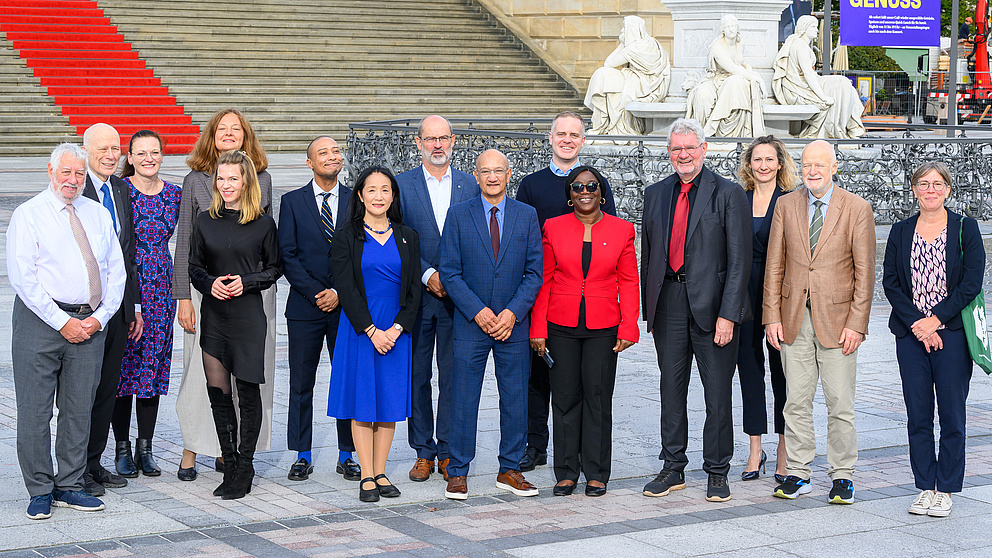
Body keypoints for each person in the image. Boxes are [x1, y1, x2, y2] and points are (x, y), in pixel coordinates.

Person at [8, 143, 125, 520]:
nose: (72, 180)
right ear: (50, 171)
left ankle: (70, 484)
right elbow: (23, 277)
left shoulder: (97, 213)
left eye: (79, 173)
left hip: (90, 323)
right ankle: (40, 488)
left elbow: (115, 271)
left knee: (78, 410)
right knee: (35, 412)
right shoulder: (30, 215)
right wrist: (62, 322)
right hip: (40, 323)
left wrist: (99, 318)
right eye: (66, 172)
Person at [640, 118, 751, 503]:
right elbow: (649, 256)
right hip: (668, 303)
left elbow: (739, 261)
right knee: (670, 390)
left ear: (704, 149)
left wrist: (728, 314)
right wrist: (648, 310)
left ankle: (717, 471)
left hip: (713, 309)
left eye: (690, 148)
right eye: (676, 149)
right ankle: (672, 467)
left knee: (717, 394)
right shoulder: (655, 194)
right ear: (668, 152)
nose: (683, 155)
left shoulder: (729, 193)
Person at [764, 140, 875, 504]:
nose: (812, 171)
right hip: (793, 318)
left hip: (839, 321)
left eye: (819, 165)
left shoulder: (857, 208)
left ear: (834, 167)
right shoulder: (785, 205)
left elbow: (865, 272)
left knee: (839, 401)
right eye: (807, 164)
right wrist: (771, 317)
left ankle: (842, 476)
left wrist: (857, 324)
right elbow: (774, 265)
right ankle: (798, 472)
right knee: (795, 400)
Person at [173, 108, 275, 481]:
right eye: (222, 129)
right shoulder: (195, 179)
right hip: (205, 293)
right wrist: (183, 296)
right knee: (202, 378)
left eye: (236, 129)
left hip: (251, 296)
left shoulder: (262, 178)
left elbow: (267, 245)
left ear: (246, 137)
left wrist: (252, 284)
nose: (229, 134)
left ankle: (233, 454)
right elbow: (185, 242)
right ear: (211, 136)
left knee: (248, 378)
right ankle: (194, 448)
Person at [515, 110, 617, 473]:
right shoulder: (531, 185)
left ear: (583, 140)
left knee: (579, 385)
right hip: (541, 292)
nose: (567, 140)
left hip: (586, 303)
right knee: (537, 378)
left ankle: (584, 458)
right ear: (550, 136)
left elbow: (613, 236)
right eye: (561, 134)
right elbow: (521, 235)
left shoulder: (596, 182)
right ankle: (535, 445)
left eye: (574, 134)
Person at [529, 165, 639, 497]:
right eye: (577, 187)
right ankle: (565, 471)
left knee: (597, 398)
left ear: (602, 193)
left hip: (604, 325)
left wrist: (629, 325)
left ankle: (596, 471)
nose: (585, 191)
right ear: (569, 196)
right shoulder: (553, 227)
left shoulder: (622, 230)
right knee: (564, 399)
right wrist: (537, 328)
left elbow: (630, 282)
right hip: (560, 325)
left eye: (592, 186)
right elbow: (544, 280)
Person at [883, 162, 985, 518]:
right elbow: (891, 283)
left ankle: (946, 489)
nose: (930, 189)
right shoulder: (900, 231)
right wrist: (918, 325)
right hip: (911, 336)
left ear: (947, 189)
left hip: (953, 333)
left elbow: (972, 282)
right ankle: (925, 486)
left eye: (937, 184)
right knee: (918, 414)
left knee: (953, 415)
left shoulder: (965, 228)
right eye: (923, 184)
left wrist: (936, 321)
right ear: (914, 189)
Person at [439, 149, 543, 501]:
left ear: (509, 174)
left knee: (515, 398)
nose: (493, 177)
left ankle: (509, 468)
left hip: (513, 325)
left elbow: (534, 272)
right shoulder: (458, 215)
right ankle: (458, 471)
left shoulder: (527, 216)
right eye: (486, 171)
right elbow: (449, 272)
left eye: (499, 171)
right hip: (471, 324)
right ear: (477, 175)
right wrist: (477, 311)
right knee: (463, 398)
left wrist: (513, 312)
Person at [189, 150, 281, 500]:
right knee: (219, 394)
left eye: (233, 178)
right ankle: (228, 462)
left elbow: (275, 268)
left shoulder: (262, 222)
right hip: (215, 316)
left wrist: (248, 281)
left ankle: (245, 467)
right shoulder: (205, 221)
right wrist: (208, 283)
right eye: (221, 178)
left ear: (246, 182)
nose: (226, 185)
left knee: (247, 393)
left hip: (247, 317)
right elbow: (193, 266)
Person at [327, 167, 421, 502]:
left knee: (389, 403)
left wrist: (395, 330)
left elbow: (413, 292)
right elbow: (346, 288)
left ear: (393, 195)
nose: (378, 196)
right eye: (372, 190)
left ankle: (381, 471)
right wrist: (371, 330)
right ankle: (366, 474)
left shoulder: (408, 235)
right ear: (360, 195)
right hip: (360, 330)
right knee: (363, 402)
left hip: (396, 332)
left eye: (385, 190)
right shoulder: (346, 235)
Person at [396, 116, 478, 483]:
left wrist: (453, 279)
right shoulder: (402, 186)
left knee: (453, 375)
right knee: (417, 376)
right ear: (419, 143)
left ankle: (447, 450)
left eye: (443, 138)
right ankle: (422, 452)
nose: (437, 145)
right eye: (430, 139)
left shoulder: (469, 184)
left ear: (454, 141)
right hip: (418, 295)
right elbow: (397, 238)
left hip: (458, 299)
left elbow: (475, 239)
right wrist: (429, 273)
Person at [278, 136, 360, 482]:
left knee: (345, 381)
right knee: (301, 382)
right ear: (309, 163)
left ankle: (348, 453)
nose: (332, 157)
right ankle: (302, 453)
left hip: (346, 307)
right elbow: (287, 255)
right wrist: (317, 292)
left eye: (336, 151)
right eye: (323, 153)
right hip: (305, 306)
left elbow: (362, 250)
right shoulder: (292, 202)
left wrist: (340, 292)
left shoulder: (356, 200)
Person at [112, 130, 181, 479]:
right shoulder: (120, 190)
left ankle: (146, 448)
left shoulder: (174, 194)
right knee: (125, 368)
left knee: (152, 368)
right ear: (130, 156)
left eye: (154, 151)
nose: (148, 158)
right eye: (141, 153)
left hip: (162, 286)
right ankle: (122, 449)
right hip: (129, 281)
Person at [80, 123, 142, 497]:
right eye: (102, 148)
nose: (110, 154)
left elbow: (128, 253)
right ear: (86, 150)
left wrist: (133, 305)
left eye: (115, 147)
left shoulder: (120, 188)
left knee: (106, 389)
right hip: (86, 308)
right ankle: (75, 467)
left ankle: (94, 462)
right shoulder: (76, 185)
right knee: (81, 391)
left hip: (118, 307)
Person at [735, 136, 797, 482]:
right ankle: (755, 449)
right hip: (743, 296)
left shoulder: (790, 201)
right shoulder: (737, 199)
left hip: (779, 295)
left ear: (779, 164)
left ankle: (784, 449)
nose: (762, 165)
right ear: (749, 165)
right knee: (749, 373)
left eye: (769, 159)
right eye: (757, 159)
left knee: (782, 373)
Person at [584, 15, 671, 135]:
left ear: (631, 29)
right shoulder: (651, 42)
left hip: (641, 86)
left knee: (603, 74)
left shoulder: (636, 47)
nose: (621, 31)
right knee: (603, 75)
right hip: (644, 84)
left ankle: (608, 125)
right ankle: (608, 125)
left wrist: (622, 44)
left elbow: (609, 63)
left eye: (624, 28)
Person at [685, 15, 765, 138]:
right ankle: (707, 131)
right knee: (703, 95)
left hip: (732, 77)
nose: (731, 29)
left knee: (736, 82)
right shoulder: (717, 47)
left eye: (733, 26)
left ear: (738, 28)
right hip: (716, 79)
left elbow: (738, 64)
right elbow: (732, 68)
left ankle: (734, 133)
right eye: (728, 27)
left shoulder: (740, 43)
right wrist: (757, 79)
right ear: (723, 30)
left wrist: (748, 70)